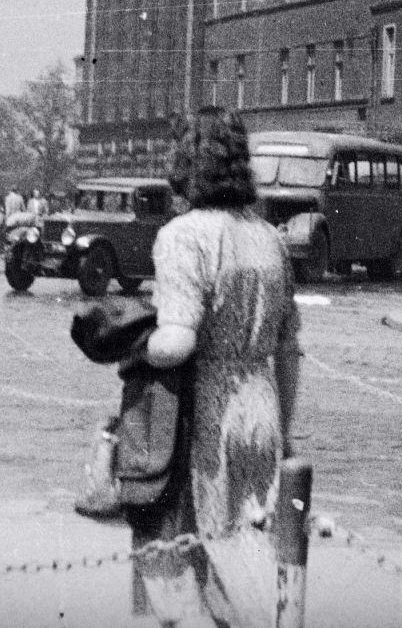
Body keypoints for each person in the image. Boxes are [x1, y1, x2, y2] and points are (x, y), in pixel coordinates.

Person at [135, 106, 301, 628]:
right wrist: (285, 429)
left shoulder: (185, 235)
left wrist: (134, 347)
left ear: (185, 163)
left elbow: (179, 341)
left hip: (204, 412)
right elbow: (289, 348)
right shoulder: (269, 238)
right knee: (254, 554)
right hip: (263, 410)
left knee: (188, 564)